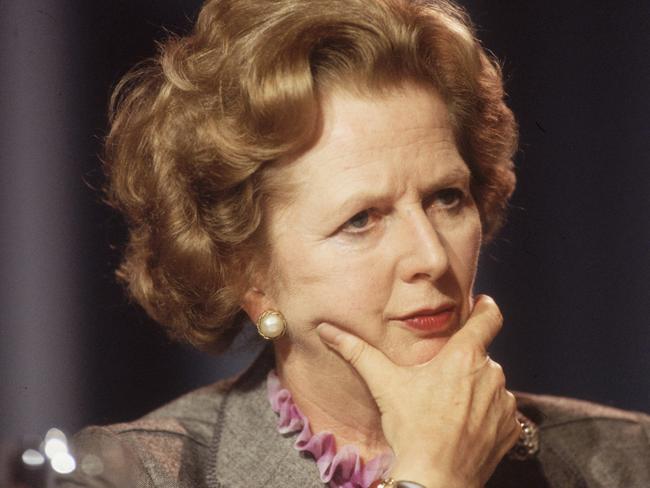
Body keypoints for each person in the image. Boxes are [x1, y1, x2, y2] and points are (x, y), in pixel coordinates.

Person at [57, 0, 650, 487]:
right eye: (362, 219)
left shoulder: (629, 461)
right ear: (247, 275)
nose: (432, 258)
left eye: (447, 198)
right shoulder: (135, 475)